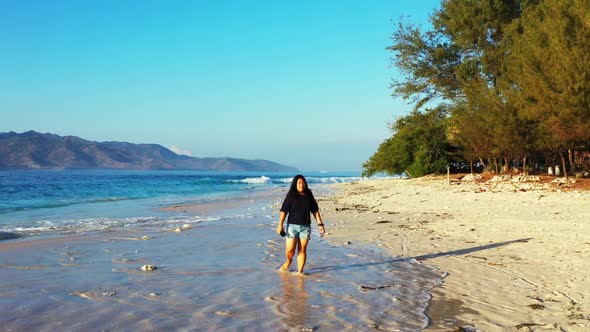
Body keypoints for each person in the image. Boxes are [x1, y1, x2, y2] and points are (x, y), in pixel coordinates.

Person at [276, 174, 325, 274]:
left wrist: (320, 224)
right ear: (295, 184)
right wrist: (280, 224)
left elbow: (315, 210)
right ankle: (288, 261)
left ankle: (300, 272)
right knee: (290, 250)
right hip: (292, 227)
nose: (301, 185)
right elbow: (284, 210)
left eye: (303, 183)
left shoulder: (309, 195)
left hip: (305, 227)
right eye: (299, 183)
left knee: (302, 250)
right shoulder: (291, 195)